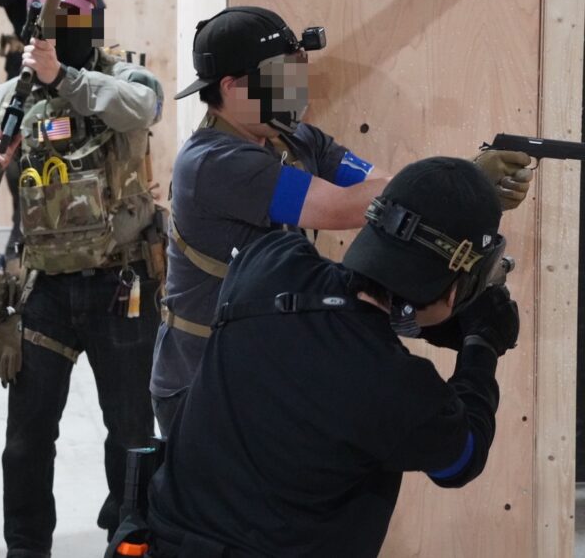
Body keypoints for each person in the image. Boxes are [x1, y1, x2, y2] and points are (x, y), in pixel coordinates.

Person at [149, 6, 533, 436]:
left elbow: (384, 187)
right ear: (231, 86)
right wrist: (467, 177)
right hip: (201, 384)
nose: (293, 86)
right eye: (279, 75)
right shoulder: (213, 163)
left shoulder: (295, 139)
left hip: (259, 368)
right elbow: (341, 207)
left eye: (296, 69)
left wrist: (459, 192)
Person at [146, 156, 520, 557]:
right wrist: (481, 343)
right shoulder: (399, 388)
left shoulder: (267, 261)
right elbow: (462, 459)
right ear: (455, 291)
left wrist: (434, 319)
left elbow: (346, 308)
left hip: (164, 541)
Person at [0, 0, 163, 557]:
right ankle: (26, 548)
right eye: (48, 23)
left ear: (94, 24)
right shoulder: (7, 100)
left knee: (132, 434)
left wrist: (62, 78)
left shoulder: (124, 78)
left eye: (74, 21)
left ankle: (131, 540)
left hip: (122, 285)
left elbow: (143, 108)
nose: (60, 33)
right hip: (42, 290)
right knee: (27, 440)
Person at [0, 0, 105, 261]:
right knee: (17, 143)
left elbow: (96, 18)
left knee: (75, 141)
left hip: (70, 69)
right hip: (25, 67)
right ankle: (22, 221)